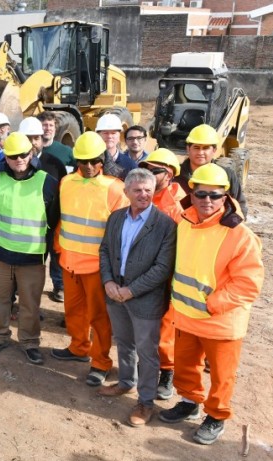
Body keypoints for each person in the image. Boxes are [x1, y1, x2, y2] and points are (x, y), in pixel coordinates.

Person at [158, 163, 263, 446]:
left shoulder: (240, 235)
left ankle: (216, 415)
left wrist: (213, 304)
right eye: (201, 194)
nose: (207, 201)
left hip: (221, 321)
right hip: (186, 314)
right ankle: (189, 401)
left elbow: (248, 282)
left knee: (221, 375)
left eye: (214, 195)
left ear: (226, 196)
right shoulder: (184, 224)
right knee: (186, 366)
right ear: (191, 193)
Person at [98, 168, 177, 427]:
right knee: (123, 342)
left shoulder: (165, 225)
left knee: (147, 351)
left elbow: (162, 268)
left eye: (148, 190)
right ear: (127, 193)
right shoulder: (116, 218)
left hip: (144, 299)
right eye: (138, 190)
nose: (143, 195)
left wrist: (131, 290)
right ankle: (125, 383)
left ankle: (145, 402)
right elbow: (105, 250)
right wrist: (109, 281)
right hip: (114, 293)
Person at [51, 132, 129, 387]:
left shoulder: (115, 188)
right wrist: (59, 249)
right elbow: (63, 219)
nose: (88, 167)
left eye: (93, 161)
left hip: (97, 267)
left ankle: (100, 362)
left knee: (99, 318)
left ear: (102, 160)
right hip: (69, 262)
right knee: (73, 311)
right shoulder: (66, 182)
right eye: (82, 161)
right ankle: (78, 347)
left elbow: (121, 234)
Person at [0, 133, 59, 364]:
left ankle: (29, 341)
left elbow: (53, 220)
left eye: (23, 154)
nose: (19, 159)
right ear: (5, 157)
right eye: (13, 156)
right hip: (0, 253)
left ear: (32, 153)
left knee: (29, 304)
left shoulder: (47, 182)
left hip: (32, 257)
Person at [139, 148, 186, 399]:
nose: (147, 173)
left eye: (153, 170)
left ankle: (167, 371)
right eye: (145, 168)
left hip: (165, 278)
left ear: (168, 175)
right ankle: (146, 368)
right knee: (144, 327)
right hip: (142, 274)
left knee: (166, 328)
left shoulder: (177, 207)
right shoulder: (142, 198)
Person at [38, 111, 75, 302]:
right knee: (38, 252)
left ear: (56, 128)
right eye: (44, 125)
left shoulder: (65, 152)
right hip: (36, 214)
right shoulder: (31, 152)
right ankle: (31, 285)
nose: (47, 128)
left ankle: (58, 285)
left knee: (56, 250)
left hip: (57, 210)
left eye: (50, 125)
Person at [173, 124, 248, 217]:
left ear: (214, 150)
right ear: (188, 149)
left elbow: (240, 206)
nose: (200, 152)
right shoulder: (175, 175)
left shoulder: (227, 175)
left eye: (205, 148)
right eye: (196, 147)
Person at [96, 113, 136, 180]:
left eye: (113, 133)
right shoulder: (90, 164)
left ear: (119, 136)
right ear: (98, 135)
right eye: (105, 133)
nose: (109, 136)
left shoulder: (130, 165)